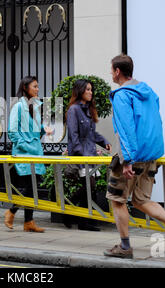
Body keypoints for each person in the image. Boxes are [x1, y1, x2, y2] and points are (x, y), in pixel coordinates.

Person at [104, 54, 165, 259]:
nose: (111, 73)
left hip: (131, 157)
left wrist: (127, 160)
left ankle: (125, 247)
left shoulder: (122, 95)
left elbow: (126, 130)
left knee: (117, 200)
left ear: (117, 71)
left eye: (111, 70)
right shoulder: (149, 92)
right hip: (150, 156)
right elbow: (155, 122)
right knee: (141, 200)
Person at [4, 76, 53, 232]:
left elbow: (36, 131)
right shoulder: (18, 107)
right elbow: (12, 131)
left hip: (36, 152)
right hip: (24, 153)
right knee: (29, 187)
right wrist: (24, 145)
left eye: (38, 86)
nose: (38, 89)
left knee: (33, 187)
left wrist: (44, 130)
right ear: (26, 87)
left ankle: (27, 221)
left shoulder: (37, 106)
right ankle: (14, 213)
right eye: (35, 86)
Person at [65, 79, 112, 231]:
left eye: (91, 90)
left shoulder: (87, 109)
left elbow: (91, 134)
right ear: (80, 91)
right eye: (88, 90)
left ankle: (79, 219)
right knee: (89, 186)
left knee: (90, 188)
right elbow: (73, 135)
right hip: (81, 155)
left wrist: (104, 141)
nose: (91, 92)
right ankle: (70, 210)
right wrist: (82, 155)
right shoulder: (74, 110)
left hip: (89, 154)